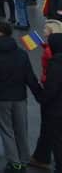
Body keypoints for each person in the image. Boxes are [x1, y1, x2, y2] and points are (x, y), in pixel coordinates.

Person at [0, 19, 43, 172]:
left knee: (6, 130)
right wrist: (40, 96)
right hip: (20, 97)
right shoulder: (21, 53)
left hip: (1, 97)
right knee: (21, 129)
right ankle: (24, 159)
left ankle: (14, 162)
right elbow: (30, 77)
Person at [35, 33, 62, 172]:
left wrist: (41, 98)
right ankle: (40, 157)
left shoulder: (56, 64)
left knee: (56, 138)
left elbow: (51, 89)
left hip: (56, 108)